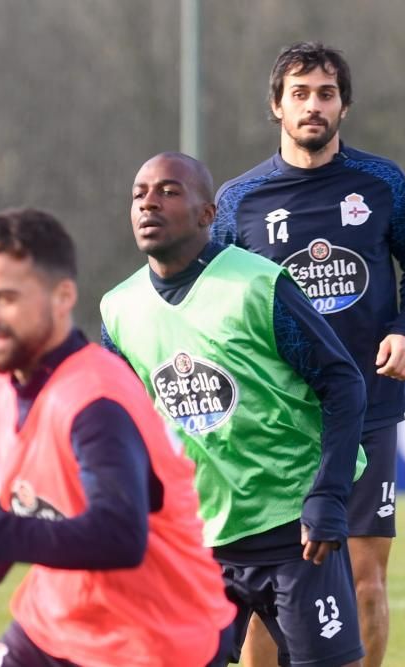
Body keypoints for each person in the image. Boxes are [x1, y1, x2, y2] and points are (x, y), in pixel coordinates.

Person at [0, 208, 236, 667]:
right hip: (58, 620)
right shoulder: (0, 382)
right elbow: (28, 500)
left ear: (63, 297)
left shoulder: (95, 401)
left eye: (6, 297)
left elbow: (118, 538)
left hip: (154, 639)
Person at [211, 42, 405, 667]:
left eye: (326, 93)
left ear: (344, 105)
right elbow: (208, 294)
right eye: (300, 93)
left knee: (365, 581)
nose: (313, 106)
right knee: (269, 590)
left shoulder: (382, 182)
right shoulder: (240, 200)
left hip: (367, 405)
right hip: (275, 420)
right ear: (276, 106)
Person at [101, 152, 368, 667]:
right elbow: (123, 423)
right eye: (139, 194)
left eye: (169, 191)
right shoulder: (119, 308)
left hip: (293, 526)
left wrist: (328, 496)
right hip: (196, 541)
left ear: (207, 215)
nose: (148, 204)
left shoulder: (258, 285)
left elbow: (343, 383)